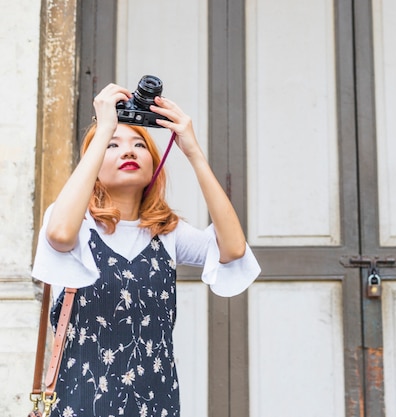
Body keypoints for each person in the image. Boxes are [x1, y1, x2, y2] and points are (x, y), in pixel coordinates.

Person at [32, 83, 261, 417]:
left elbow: (234, 249)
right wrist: (104, 125)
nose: (128, 151)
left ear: (154, 164)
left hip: (157, 403)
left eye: (139, 144)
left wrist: (194, 151)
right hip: (80, 404)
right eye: (112, 145)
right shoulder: (75, 222)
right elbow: (60, 234)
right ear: (93, 162)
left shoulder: (166, 232)